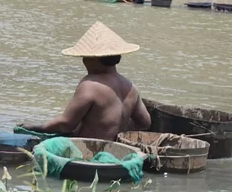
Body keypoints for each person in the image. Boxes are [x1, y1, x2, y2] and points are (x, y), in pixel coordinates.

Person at [19, 22, 151, 141]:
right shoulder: (131, 87)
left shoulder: (90, 85)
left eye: (85, 57)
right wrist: (115, 128)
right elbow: (145, 122)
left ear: (93, 59)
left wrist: (36, 127)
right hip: (116, 149)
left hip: (88, 151)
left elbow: (66, 124)